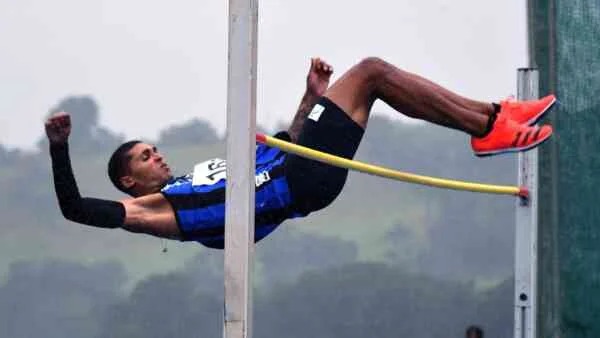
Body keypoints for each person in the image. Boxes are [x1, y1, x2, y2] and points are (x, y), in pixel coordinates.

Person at [47, 57, 555, 249]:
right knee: (372, 73)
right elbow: (75, 209)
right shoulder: (155, 211)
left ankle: (495, 116)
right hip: (301, 183)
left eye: (153, 149)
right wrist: (60, 149)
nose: (156, 156)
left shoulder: (198, 176)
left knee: (373, 75)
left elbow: (286, 143)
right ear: (129, 183)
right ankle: (489, 125)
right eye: (143, 158)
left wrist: (311, 98)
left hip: (296, 165)